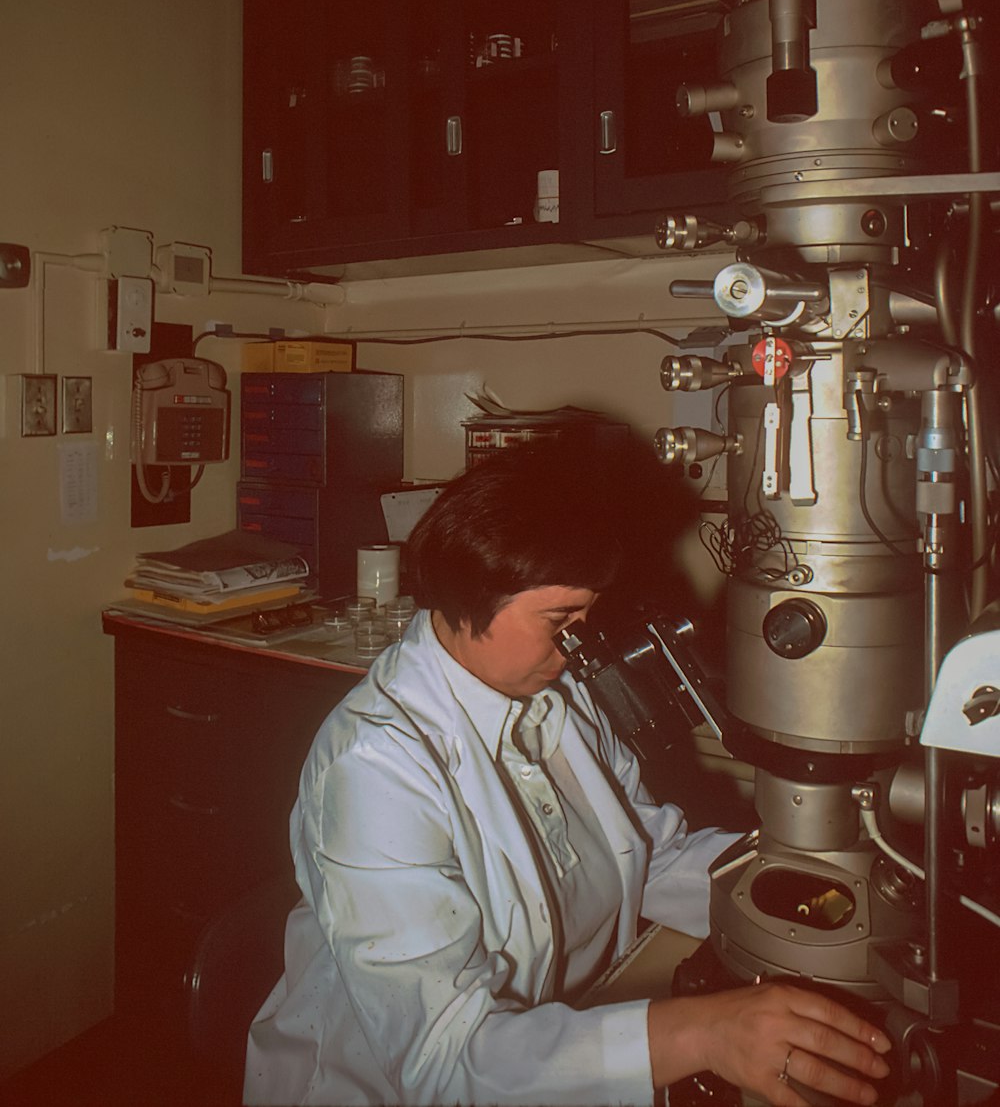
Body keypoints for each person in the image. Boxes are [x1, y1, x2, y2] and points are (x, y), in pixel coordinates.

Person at [244, 431, 891, 1107]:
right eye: (562, 618)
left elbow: (654, 858)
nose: (580, 642)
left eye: (588, 615)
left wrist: (821, 883)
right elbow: (444, 1061)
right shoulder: (375, 771)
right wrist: (704, 1033)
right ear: (470, 600)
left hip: (551, 1043)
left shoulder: (558, 693)